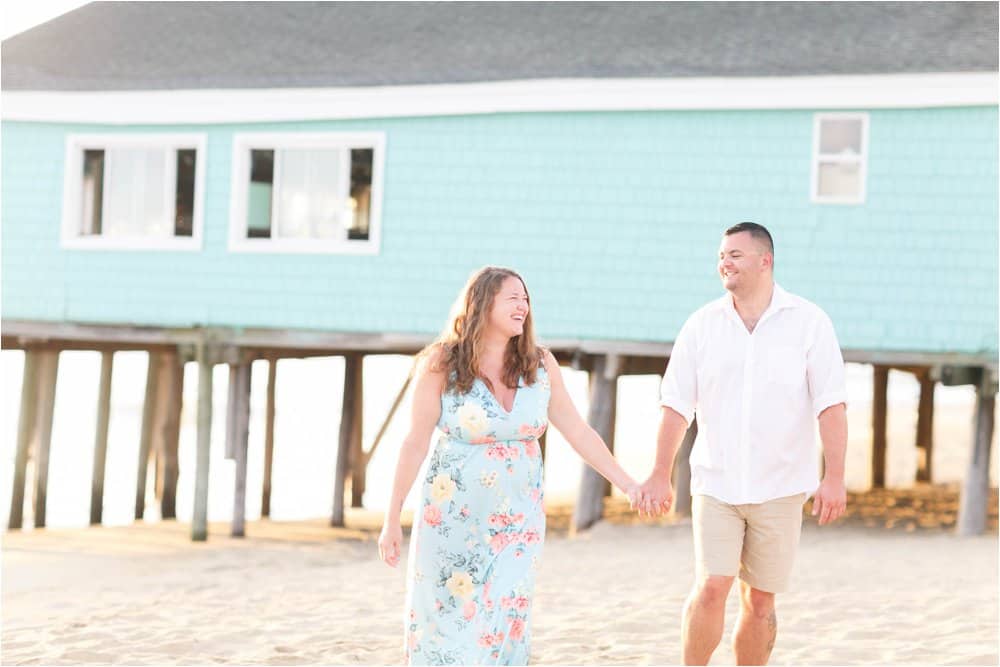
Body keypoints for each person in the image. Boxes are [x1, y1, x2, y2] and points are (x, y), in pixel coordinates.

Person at [378, 266, 641, 666]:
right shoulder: (441, 363)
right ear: (482, 303)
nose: (523, 306)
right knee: (446, 626)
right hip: (450, 523)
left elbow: (578, 431)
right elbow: (414, 443)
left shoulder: (539, 365)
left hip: (517, 524)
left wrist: (627, 484)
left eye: (526, 298)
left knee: (505, 616)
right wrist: (392, 517)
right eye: (512, 298)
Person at [640, 222, 848, 666]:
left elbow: (831, 405)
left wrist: (835, 478)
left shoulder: (810, 323)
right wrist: (660, 473)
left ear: (764, 261)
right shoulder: (701, 326)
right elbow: (676, 405)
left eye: (734, 254)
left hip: (781, 486)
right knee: (712, 585)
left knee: (760, 603)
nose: (724, 263)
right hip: (717, 483)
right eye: (721, 256)